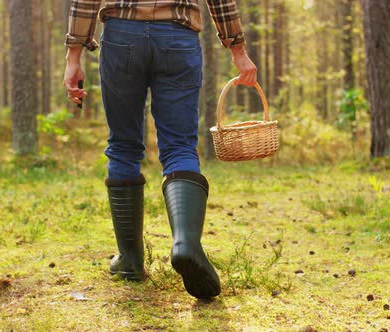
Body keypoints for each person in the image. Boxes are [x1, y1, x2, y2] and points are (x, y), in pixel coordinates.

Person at [63, 0, 257, 299]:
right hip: (176, 35)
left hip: (121, 36)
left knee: (123, 146)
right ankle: (185, 245)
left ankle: (130, 261)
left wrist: (73, 55)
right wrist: (238, 50)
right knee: (180, 145)